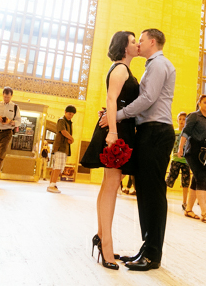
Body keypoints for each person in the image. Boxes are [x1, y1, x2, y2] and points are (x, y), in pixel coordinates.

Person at [100, 28, 176, 272]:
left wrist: (118, 116)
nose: (139, 44)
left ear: (152, 41)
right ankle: (146, 247)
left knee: (153, 193)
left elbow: (147, 99)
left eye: (141, 40)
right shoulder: (151, 66)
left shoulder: (158, 64)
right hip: (148, 132)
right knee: (144, 192)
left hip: (156, 131)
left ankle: (153, 254)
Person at [80, 31, 140, 270]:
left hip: (119, 126)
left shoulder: (122, 69)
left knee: (109, 186)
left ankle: (100, 235)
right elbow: (112, 99)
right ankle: (106, 244)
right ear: (124, 47)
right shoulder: (120, 69)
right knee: (111, 186)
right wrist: (113, 133)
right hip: (117, 130)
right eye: (133, 42)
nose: (136, 45)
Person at [178, 94, 206, 223]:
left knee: (197, 178)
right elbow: (186, 131)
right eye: (205, 102)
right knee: (201, 177)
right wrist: (180, 148)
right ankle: (204, 212)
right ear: (199, 103)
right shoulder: (194, 116)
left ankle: (189, 209)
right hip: (194, 151)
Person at [165, 111, 190, 210]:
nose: (182, 121)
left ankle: (184, 202)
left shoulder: (188, 134)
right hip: (175, 159)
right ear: (177, 120)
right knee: (170, 179)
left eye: (184, 119)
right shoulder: (174, 132)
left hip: (186, 161)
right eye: (180, 119)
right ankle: (163, 198)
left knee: (186, 182)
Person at [48, 105, 76, 193]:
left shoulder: (69, 122)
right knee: (57, 167)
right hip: (60, 147)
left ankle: (52, 184)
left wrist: (70, 139)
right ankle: (52, 185)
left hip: (64, 148)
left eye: (72, 115)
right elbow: (63, 131)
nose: (70, 116)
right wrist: (71, 138)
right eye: (69, 114)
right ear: (65, 112)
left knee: (58, 167)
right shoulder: (61, 120)